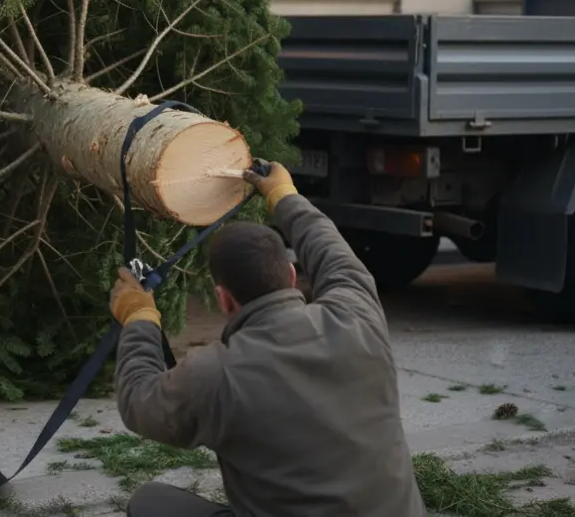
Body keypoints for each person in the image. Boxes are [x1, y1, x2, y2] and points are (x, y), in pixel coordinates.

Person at [109, 161, 427, 517]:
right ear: (291, 275)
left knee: (151, 503)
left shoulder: (217, 374)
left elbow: (139, 400)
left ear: (223, 299)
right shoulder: (358, 315)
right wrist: (283, 195)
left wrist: (140, 317)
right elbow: (332, 252)